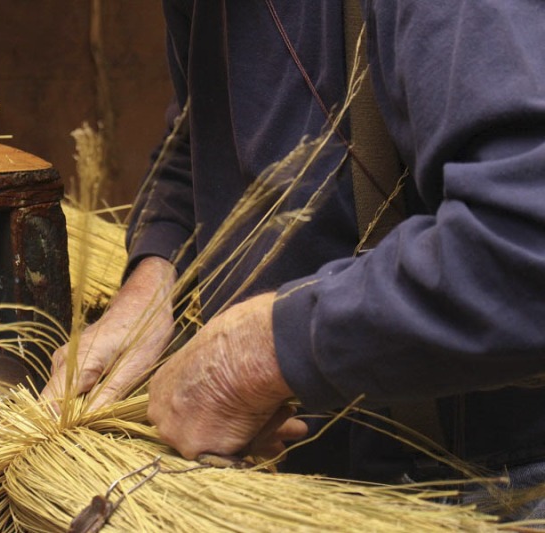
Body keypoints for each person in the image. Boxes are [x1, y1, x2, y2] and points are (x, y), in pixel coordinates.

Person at [43, 0, 545, 520]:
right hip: (314, 474)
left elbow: (524, 242)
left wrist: (252, 354)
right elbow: (195, 135)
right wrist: (152, 282)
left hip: (490, 481)